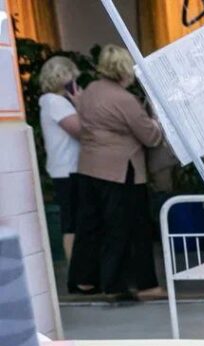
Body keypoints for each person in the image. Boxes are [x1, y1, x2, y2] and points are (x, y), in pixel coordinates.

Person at [68, 45, 164, 300]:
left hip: (89, 166)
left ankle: (84, 281)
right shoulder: (124, 99)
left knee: (90, 226)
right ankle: (127, 285)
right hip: (120, 170)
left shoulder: (91, 90)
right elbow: (150, 136)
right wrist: (156, 123)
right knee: (127, 229)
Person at [38, 56, 81, 265]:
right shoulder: (56, 102)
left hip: (63, 167)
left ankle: (77, 267)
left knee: (72, 219)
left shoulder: (50, 102)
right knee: (73, 221)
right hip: (68, 168)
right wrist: (80, 104)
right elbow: (80, 130)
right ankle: (76, 267)